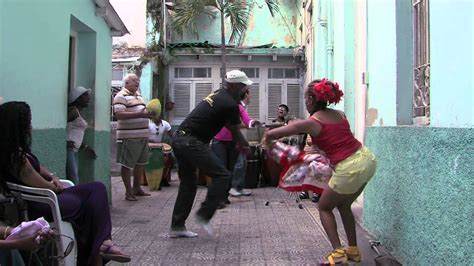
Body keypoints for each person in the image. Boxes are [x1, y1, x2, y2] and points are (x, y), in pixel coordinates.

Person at [0, 101, 131, 265]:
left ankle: (102, 246)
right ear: (17, 125)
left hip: (47, 197)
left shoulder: (17, 150)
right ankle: (102, 248)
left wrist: (52, 176)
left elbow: (40, 168)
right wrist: (53, 185)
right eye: (28, 121)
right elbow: (42, 185)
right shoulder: (14, 157)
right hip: (41, 204)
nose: (30, 126)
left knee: (96, 190)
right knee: (90, 206)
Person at [263, 79, 376, 265]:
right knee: (344, 205)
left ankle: (338, 255)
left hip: (348, 167)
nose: (305, 102)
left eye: (306, 98)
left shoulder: (312, 122)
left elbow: (277, 133)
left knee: (324, 207)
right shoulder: (340, 114)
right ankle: (353, 251)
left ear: (310, 99)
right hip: (366, 159)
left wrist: (267, 138)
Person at [169, 70, 251, 238]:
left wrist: (242, 143)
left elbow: (229, 125)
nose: (245, 91)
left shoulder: (219, 94)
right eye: (244, 87)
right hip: (191, 141)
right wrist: (245, 145)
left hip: (180, 139)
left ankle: (177, 227)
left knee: (188, 184)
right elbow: (234, 130)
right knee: (222, 175)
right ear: (235, 86)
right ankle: (204, 214)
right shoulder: (229, 103)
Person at [212, 87, 258, 207]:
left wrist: (253, 123)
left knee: (230, 170)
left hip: (233, 142)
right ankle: (219, 198)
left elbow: (247, 120)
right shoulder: (220, 107)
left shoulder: (238, 108)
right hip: (218, 141)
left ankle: (225, 196)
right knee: (221, 169)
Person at [113, 73, 153, 201]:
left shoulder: (139, 96)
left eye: (138, 81)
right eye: (134, 80)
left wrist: (148, 114)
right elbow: (119, 114)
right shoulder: (120, 96)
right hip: (129, 136)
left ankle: (137, 188)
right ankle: (128, 192)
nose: (137, 82)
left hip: (142, 135)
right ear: (126, 83)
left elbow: (141, 112)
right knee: (127, 164)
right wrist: (140, 115)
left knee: (140, 163)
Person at [229, 88, 259, 197]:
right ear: (246, 94)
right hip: (233, 138)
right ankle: (233, 187)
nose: (251, 96)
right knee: (239, 163)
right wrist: (250, 124)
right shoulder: (238, 106)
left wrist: (251, 123)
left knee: (243, 163)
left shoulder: (242, 106)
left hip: (237, 138)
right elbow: (236, 124)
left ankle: (239, 187)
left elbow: (245, 122)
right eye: (250, 94)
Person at [66, 86, 97, 184]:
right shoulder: (73, 111)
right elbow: (62, 126)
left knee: (75, 177)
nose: (88, 99)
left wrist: (85, 147)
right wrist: (64, 142)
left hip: (75, 150)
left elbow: (76, 133)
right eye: (85, 96)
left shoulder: (77, 112)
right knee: (73, 178)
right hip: (69, 150)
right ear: (78, 98)